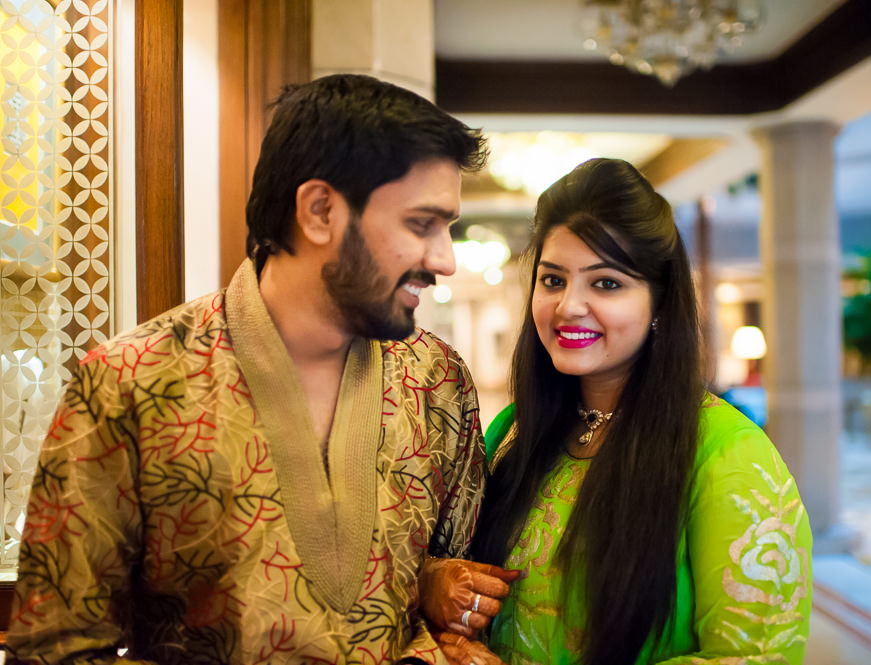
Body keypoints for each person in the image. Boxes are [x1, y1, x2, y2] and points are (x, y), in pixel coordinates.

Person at [7, 74, 492, 665]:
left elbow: (456, 596)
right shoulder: (130, 383)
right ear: (319, 212)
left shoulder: (437, 378)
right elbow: (55, 648)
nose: (444, 259)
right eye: (422, 224)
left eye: (449, 228)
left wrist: (446, 615)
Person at [425, 158, 812, 665]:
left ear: (658, 303)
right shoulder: (514, 432)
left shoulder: (729, 455)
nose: (568, 307)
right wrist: (440, 597)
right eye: (553, 280)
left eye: (606, 283)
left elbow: (758, 658)